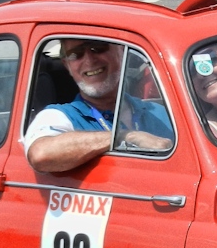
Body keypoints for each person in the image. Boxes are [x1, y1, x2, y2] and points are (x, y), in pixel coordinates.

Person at [25, 39, 174, 172]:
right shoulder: (59, 116)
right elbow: (40, 154)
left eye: (98, 48)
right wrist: (125, 136)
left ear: (121, 50)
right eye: (76, 54)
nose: (89, 61)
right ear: (67, 65)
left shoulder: (161, 113)